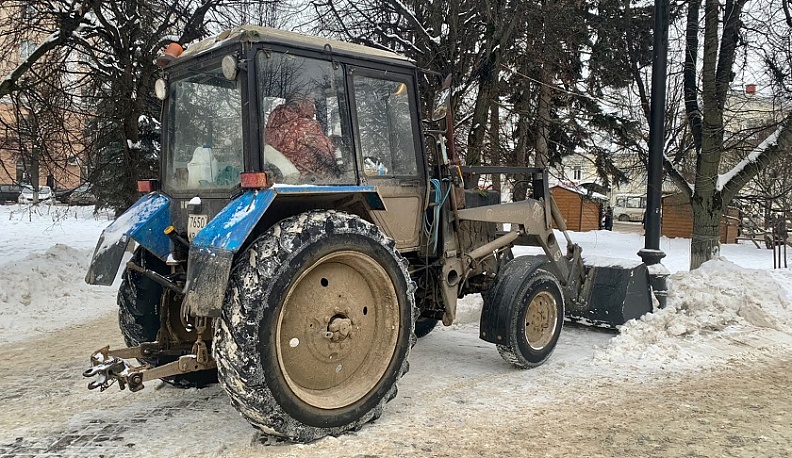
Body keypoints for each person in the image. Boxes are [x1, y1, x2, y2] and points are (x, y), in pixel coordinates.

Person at [264, 94, 340, 179]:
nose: (314, 110)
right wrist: (332, 145)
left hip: (280, 178)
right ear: (302, 106)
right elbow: (324, 154)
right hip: (312, 179)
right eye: (312, 106)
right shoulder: (308, 126)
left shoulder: (269, 132)